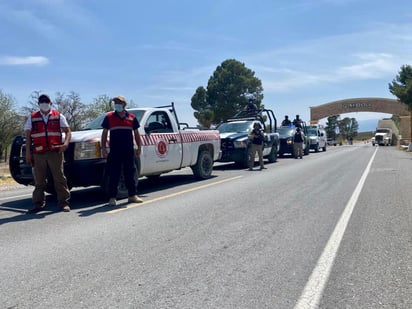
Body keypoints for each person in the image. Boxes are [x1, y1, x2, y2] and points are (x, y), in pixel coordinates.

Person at [24, 94, 71, 213]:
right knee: (39, 180)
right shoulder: (32, 117)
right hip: (39, 153)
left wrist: (65, 144)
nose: (44, 103)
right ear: (38, 104)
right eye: (41, 101)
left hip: (55, 152)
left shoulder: (58, 116)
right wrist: (28, 153)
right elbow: (28, 136)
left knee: (59, 178)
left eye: (46, 101)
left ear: (51, 102)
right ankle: (38, 204)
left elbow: (68, 131)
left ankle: (63, 203)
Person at [101, 95, 143, 206]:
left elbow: (137, 134)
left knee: (130, 173)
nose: (116, 104)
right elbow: (104, 133)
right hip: (115, 151)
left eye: (119, 102)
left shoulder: (132, 117)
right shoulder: (109, 117)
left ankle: (132, 195)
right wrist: (103, 148)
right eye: (115, 103)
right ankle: (112, 198)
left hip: (128, 150)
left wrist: (139, 147)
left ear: (124, 104)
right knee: (114, 174)